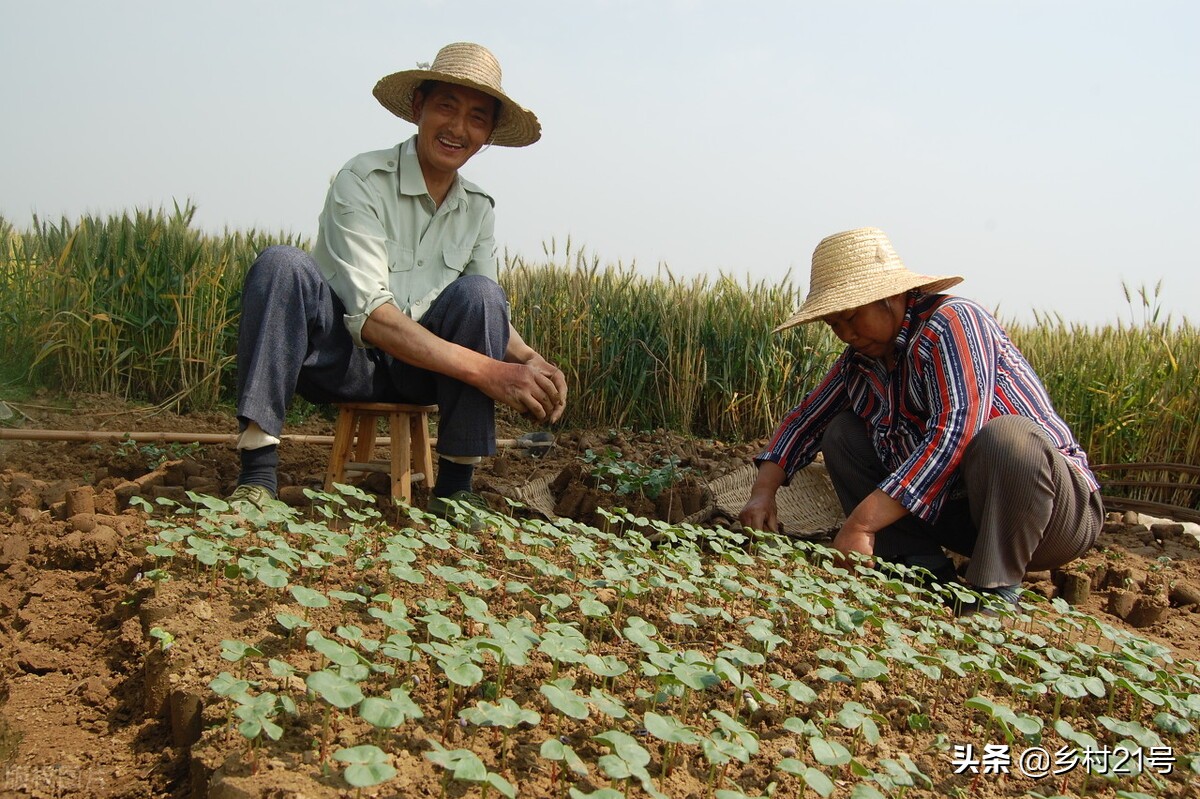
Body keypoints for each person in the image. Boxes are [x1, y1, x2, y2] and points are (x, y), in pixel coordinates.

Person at [229, 42, 567, 515]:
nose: (457, 128)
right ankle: (258, 473)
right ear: (418, 107)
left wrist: (530, 359)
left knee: (482, 293)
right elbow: (372, 318)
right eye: (446, 106)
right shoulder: (363, 178)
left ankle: (455, 490)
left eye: (476, 117)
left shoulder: (478, 207)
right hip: (344, 360)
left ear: (487, 133)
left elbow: (487, 310)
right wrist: (492, 373)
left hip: (423, 373)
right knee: (281, 264)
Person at [739, 227, 1103, 611]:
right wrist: (763, 492)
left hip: (1051, 516)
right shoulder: (862, 362)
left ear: (891, 297)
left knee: (1007, 438)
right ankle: (921, 571)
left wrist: (861, 525)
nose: (846, 334)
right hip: (963, 516)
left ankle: (992, 595)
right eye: (834, 325)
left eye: (850, 317)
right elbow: (805, 421)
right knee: (842, 434)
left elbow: (957, 432)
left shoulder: (954, 323)